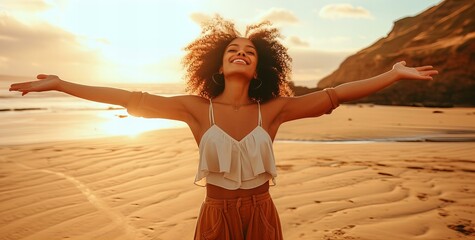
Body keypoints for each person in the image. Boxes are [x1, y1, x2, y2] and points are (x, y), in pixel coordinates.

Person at [9, 17, 437, 240]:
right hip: (215, 217)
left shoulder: (274, 110)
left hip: (261, 214)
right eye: (232, 49)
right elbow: (127, 98)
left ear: (259, 67)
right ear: (217, 63)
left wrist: (394, 75)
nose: (241, 53)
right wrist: (62, 84)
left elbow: (336, 94)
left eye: (249, 51)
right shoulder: (196, 109)